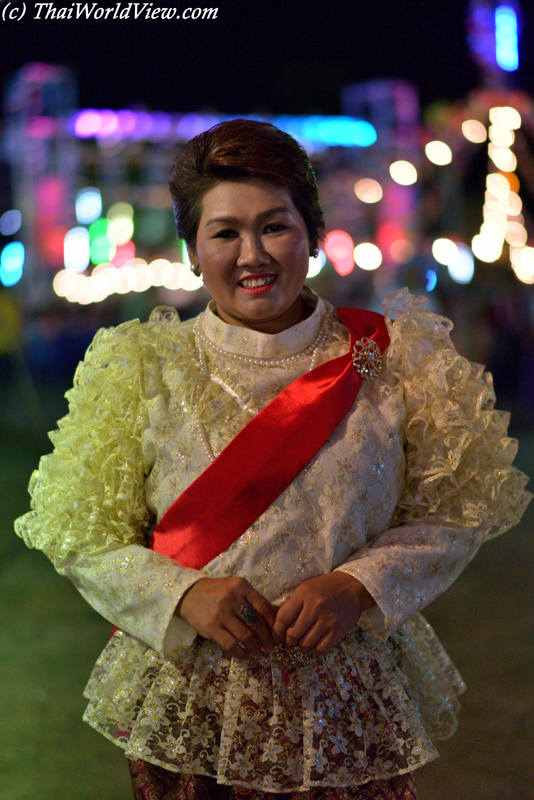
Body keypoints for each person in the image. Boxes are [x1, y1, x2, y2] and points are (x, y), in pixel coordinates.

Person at [15, 119, 531, 800]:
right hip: (195, 708)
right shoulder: (140, 367)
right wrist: (182, 594)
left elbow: (456, 511)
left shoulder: (395, 360)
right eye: (225, 232)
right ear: (194, 250)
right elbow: (78, 531)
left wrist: (360, 586)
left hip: (348, 702)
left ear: (313, 235)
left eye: (275, 226)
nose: (252, 254)